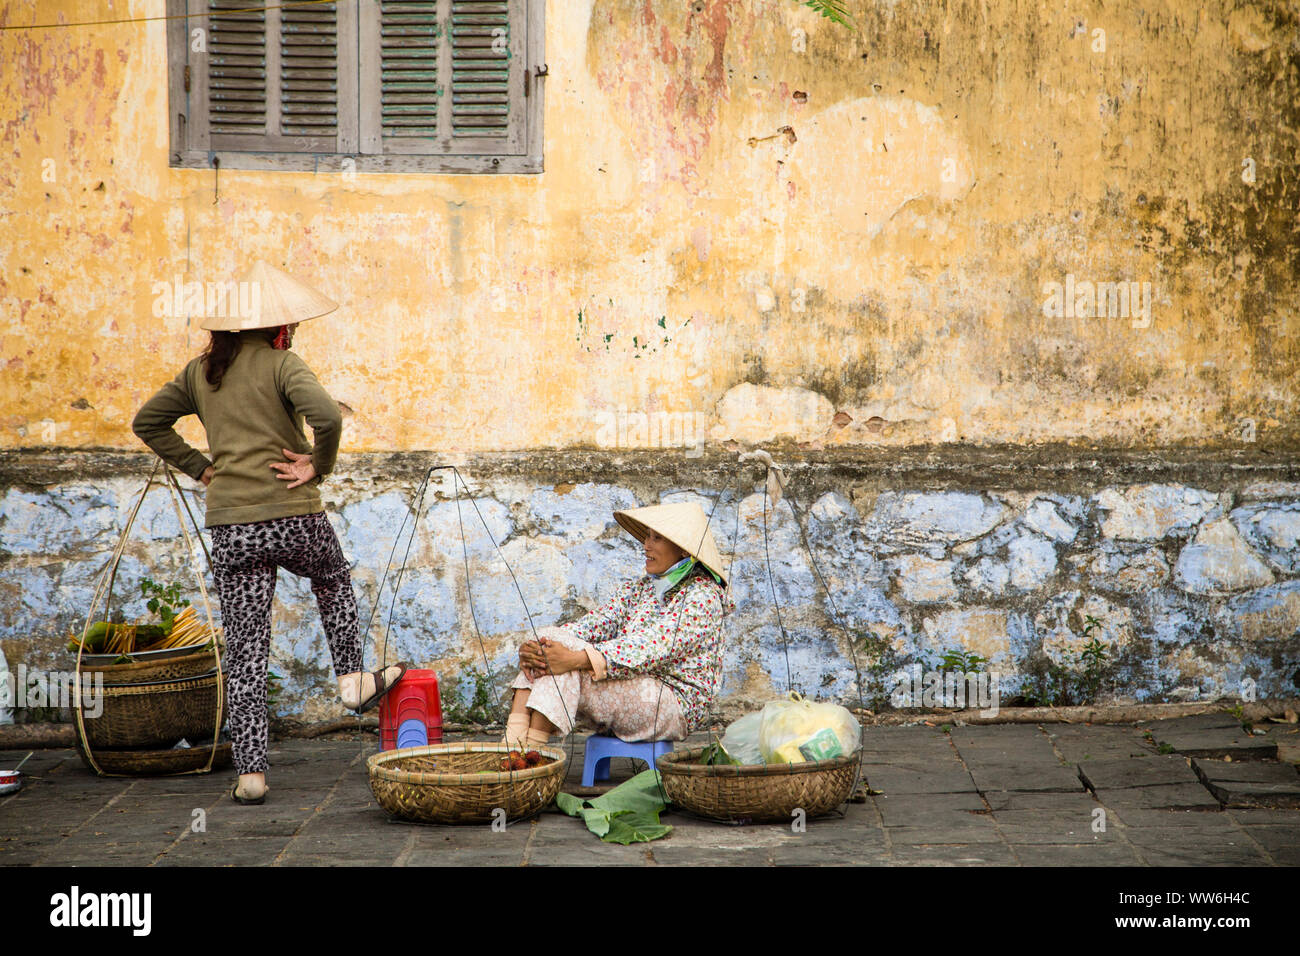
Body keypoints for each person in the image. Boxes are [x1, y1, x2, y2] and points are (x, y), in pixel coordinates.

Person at [132, 260, 407, 805]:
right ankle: (352, 681)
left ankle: (251, 776)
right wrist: (316, 466)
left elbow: (147, 422)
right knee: (330, 576)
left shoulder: (199, 373)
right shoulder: (284, 364)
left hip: (233, 527)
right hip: (294, 515)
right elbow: (327, 416)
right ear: (278, 326)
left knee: (247, 650)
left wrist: (203, 469)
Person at [504, 502, 732, 751]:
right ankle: (519, 749)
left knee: (565, 662)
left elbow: (650, 648)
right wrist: (537, 647)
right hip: (631, 686)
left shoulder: (702, 596)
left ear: (682, 549)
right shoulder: (643, 588)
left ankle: (524, 753)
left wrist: (576, 659)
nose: (646, 545)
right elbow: (592, 625)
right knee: (552, 643)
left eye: (657, 538)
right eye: (647, 536)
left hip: (671, 704)